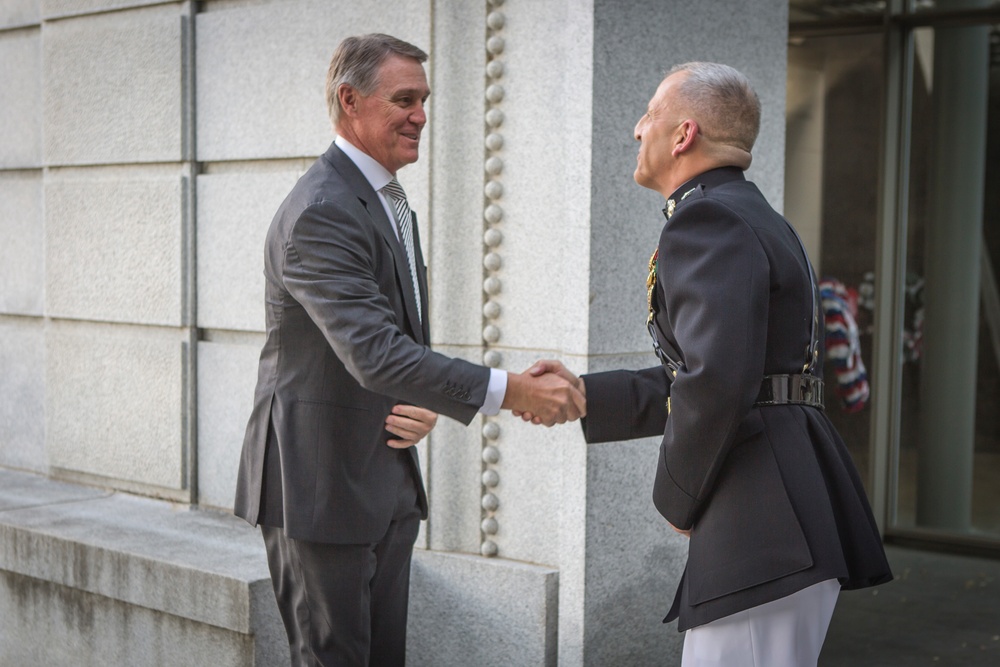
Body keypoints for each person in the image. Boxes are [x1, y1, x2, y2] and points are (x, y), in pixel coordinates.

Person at [233, 33, 585, 667]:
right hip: (320, 489)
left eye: (425, 99)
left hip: (385, 485)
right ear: (350, 100)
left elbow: (385, 348)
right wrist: (516, 390)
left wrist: (415, 401)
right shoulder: (321, 210)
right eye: (404, 98)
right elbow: (376, 355)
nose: (421, 114)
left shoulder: (388, 203)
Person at [524, 62, 892, 666]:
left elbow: (716, 382)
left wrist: (679, 494)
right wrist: (585, 395)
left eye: (650, 114)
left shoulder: (708, 218)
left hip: (764, 526)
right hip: (784, 512)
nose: (637, 129)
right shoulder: (749, 213)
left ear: (683, 135)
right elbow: (721, 371)